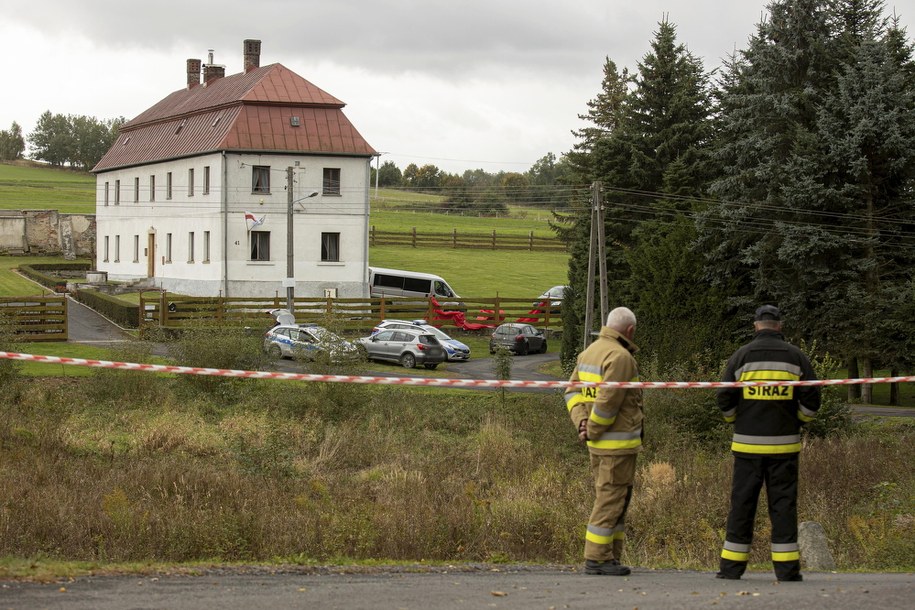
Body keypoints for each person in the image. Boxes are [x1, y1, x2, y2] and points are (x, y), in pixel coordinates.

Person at [716, 304, 821, 582]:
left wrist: (735, 421)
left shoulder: (741, 356)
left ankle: (730, 570)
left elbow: (724, 398)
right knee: (783, 506)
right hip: (784, 447)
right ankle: (787, 571)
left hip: (747, 448)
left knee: (742, 505)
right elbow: (813, 400)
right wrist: (797, 421)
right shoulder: (796, 357)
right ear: (780, 325)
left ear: (755, 326)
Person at [565, 307, 643, 576]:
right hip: (614, 444)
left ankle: (610, 556)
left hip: (598, 444)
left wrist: (582, 422)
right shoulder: (619, 357)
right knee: (610, 499)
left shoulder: (590, 352)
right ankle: (597, 558)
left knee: (614, 498)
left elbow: (571, 391)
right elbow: (608, 401)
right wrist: (594, 427)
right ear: (629, 331)